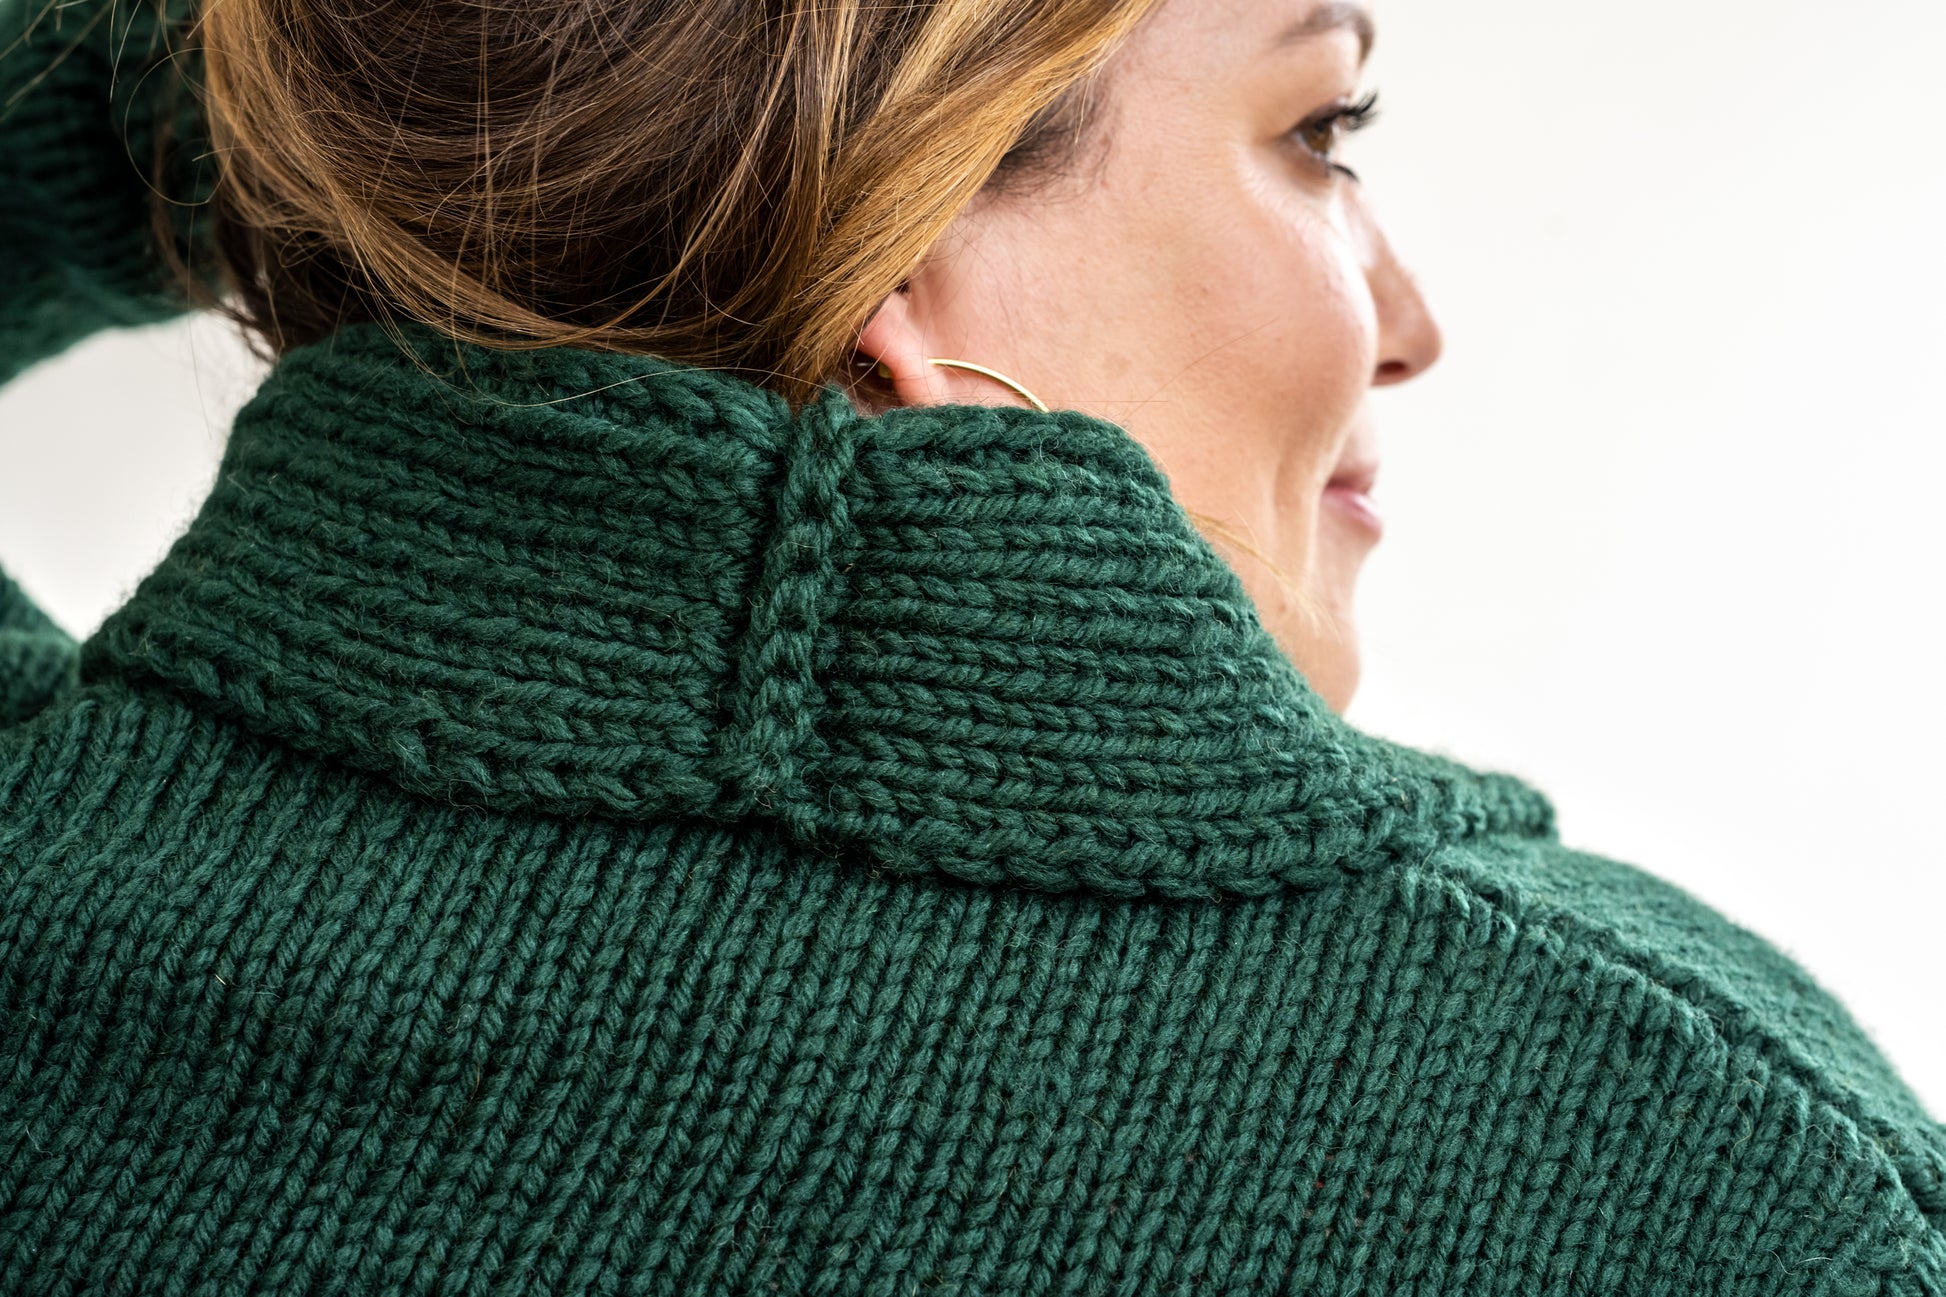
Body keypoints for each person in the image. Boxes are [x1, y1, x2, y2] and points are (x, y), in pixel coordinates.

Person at [1, 0, 1940, 1291]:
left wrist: (419, 106)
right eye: (1316, 129)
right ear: (894, 228)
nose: (1405, 315)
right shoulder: (1696, 1161)